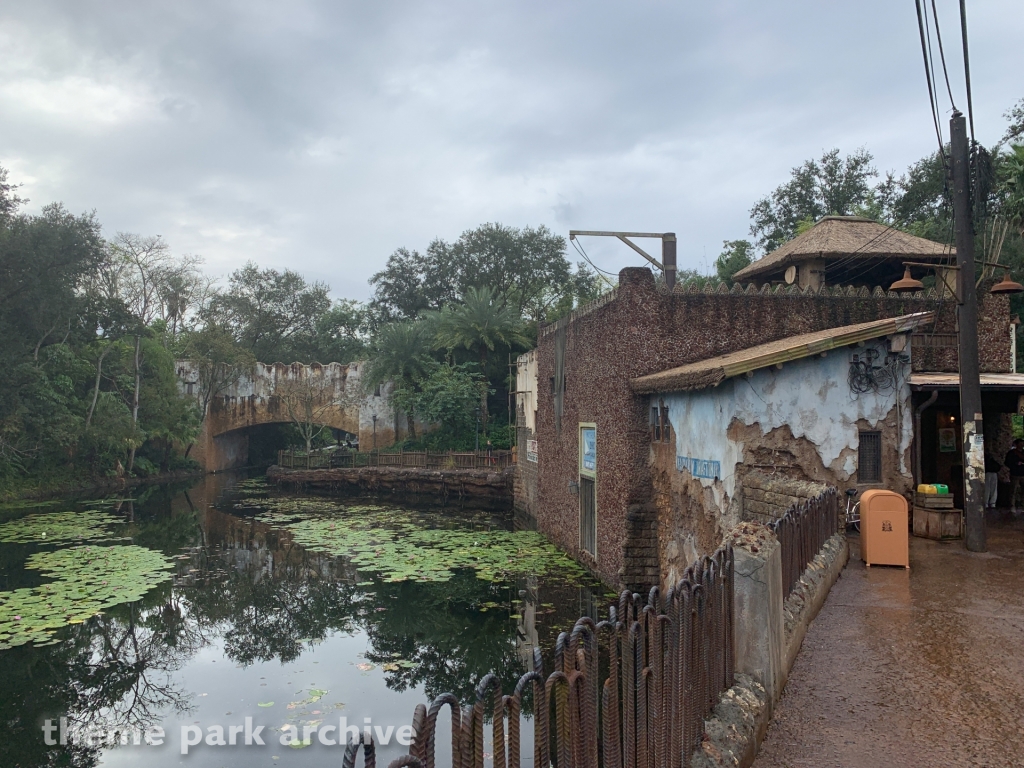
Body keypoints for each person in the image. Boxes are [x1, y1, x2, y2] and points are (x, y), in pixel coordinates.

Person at [1004, 439, 1024, 515]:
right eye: (1020, 444)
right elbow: (1007, 462)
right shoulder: (1011, 453)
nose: (1022, 445)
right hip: (1015, 474)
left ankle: (1022, 506)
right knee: (1013, 490)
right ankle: (1012, 506)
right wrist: (1015, 464)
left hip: (1023, 473)